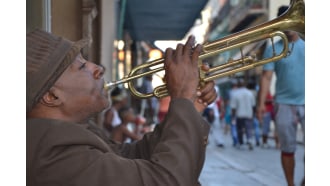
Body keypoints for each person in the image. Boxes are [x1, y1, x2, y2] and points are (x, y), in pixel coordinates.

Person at [27, 29, 217, 186]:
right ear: (52, 96)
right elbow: (166, 181)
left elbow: (132, 158)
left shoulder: (71, 131)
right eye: (82, 66)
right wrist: (182, 96)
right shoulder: (51, 153)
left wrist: (190, 106)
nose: (98, 68)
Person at [257, 6, 305, 186]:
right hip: (283, 103)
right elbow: (266, 78)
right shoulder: (273, 49)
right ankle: (290, 183)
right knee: (287, 149)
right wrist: (261, 104)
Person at [231, 78, 256, 150]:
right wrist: (253, 114)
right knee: (249, 128)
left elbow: (233, 107)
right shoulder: (249, 93)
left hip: (240, 114)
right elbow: (253, 105)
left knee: (240, 129)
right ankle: (249, 140)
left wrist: (233, 116)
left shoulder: (235, 94)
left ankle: (241, 142)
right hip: (249, 114)